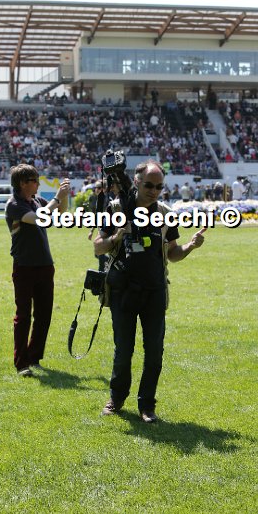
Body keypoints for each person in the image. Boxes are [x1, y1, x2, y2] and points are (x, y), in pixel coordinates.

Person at [94, 160, 206, 423]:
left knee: (154, 352)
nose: (154, 191)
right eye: (149, 185)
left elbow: (173, 253)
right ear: (136, 181)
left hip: (154, 290)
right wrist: (117, 236)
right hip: (122, 290)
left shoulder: (166, 213)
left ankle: (147, 405)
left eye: (159, 186)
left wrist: (191, 246)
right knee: (124, 350)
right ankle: (116, 399)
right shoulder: (116, 208)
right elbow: (98, 247)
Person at [5, 164, 70, 377]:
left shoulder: (36, 201)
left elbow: (61, 213)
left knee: (44, 315)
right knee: (23, 316)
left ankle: (34, 357)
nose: (38, 184)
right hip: (24, 266)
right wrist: (57, 197)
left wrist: (64, 196)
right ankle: (21, 363)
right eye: (34, 180)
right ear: (22, 183)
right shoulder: (14, 205)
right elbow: (40, 218)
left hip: (45, 265)